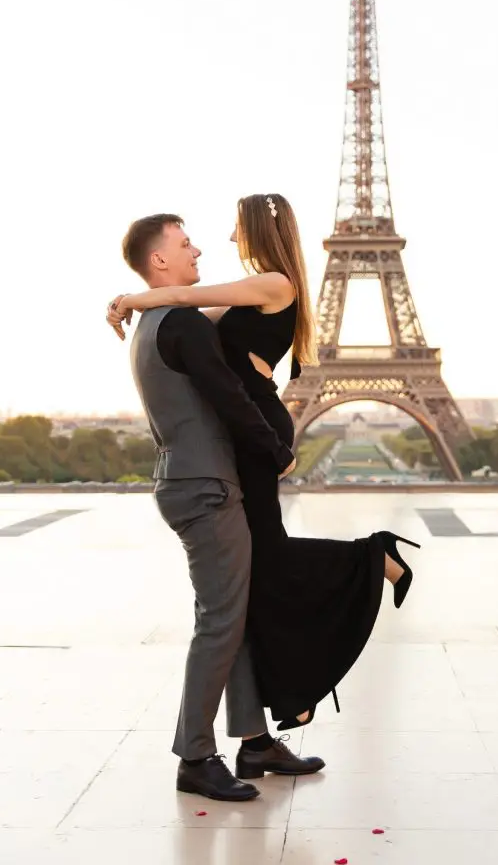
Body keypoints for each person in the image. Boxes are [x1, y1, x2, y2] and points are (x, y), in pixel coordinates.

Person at [109, 195, 419, 730]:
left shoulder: (275, 284)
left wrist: (132, 297)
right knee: (264, 568)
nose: (225, 240)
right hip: (248, 430)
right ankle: (287, 699)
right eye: (189, 242)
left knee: (266, 562)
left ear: (255, 229)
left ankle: (372, 560)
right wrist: (138, 301)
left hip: (258, 430)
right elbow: (182, 316)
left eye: (234, 228)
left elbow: (180, 296)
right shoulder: (242, 298)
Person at [118, 212, 326, 803]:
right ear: (159, 260)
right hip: (205, 485)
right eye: (184, 244)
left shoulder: (157, 324)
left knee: (230, 613)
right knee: (220, 621)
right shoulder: (179, 324)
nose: (198, 249)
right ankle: (195, 755)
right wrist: (275, 449)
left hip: (190, 480)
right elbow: (230, 395)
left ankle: (255, 740)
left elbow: (224, 321)